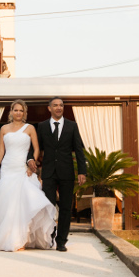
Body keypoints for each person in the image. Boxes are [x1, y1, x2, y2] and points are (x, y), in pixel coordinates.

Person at [0, 100, 56, 252]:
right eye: (15, 110)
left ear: (24, 113)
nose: (18, 113)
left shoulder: (30, 128)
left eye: (21, 111)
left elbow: (36, 149)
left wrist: (32, 165)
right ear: (11, 112)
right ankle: (6, 237)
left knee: (23, 202)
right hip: (8, 168)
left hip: (23, 169)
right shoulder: (3, 128)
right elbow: (0, 151)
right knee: (8, 203)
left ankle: (21, 239)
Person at [28, 97, 87, 252]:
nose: (59, 107)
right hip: (48, 173)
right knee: (48, 207)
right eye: (55, 105)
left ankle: (61, 241)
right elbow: (35, 146)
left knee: (66, 208)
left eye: (61, 105)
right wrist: (30, 159)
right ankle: (50, 237)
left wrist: (82, 171)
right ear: (49, 108)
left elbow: (79, 150)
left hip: (67, 172)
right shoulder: (42, 126)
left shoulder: (72, 126)